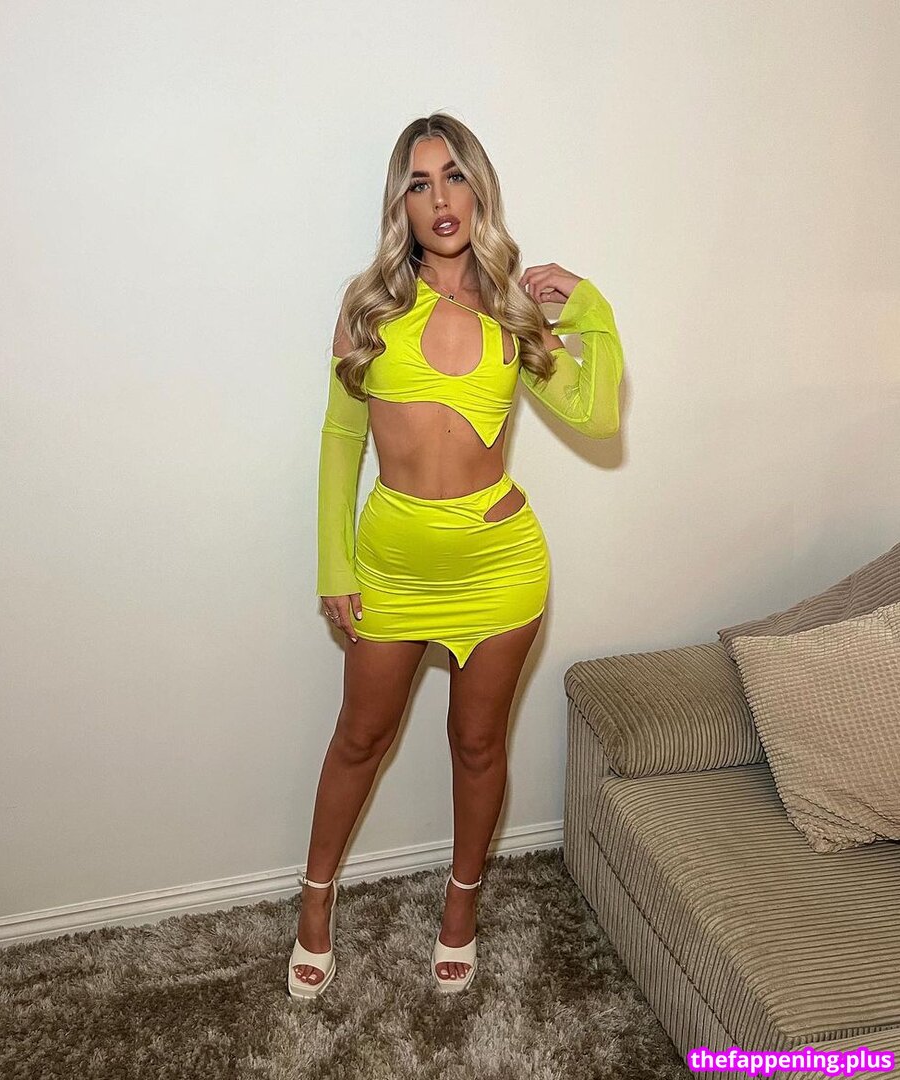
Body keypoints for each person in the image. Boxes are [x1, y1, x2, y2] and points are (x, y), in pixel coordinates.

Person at [288, 112, 625, 999]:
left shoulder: (514, 307)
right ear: (400, 202)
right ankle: (315, 899)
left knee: (477, 745)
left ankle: (461, 906)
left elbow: (597, 416)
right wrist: (334, 565)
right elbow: (340, 438)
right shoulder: (369, 306)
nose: (440, 198)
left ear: (479, 190)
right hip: (391, 569)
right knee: (359, 738)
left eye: (454, 177)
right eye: (419, 182)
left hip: (499, 568)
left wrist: (592, 311)